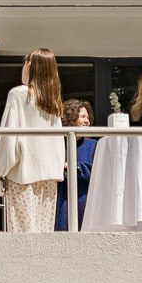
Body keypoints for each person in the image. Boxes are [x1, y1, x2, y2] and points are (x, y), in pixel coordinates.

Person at [0, 48, 65, 232]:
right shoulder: (53, 102)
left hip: (23, 175)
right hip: (49, 177)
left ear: (31, 66)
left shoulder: (19, 94)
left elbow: (9, 140)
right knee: (43, 236)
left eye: (25, 62)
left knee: (21, 239)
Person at [55, 99, 98, 232]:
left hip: (86, 203)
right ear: (71, 118)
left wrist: (76, 168)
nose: (88, 121)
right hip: (62, 202)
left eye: (88, 118)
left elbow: (99, 172)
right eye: (83, 117)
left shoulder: (93, 145)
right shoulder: (58, 144)